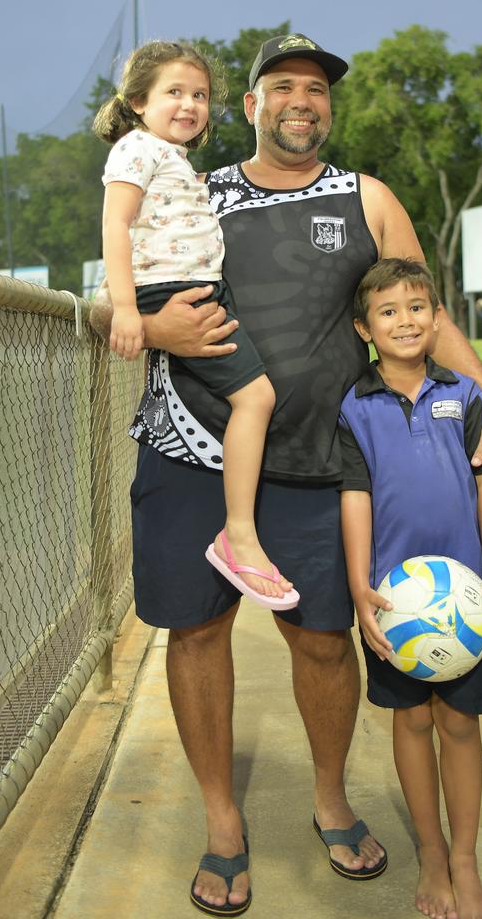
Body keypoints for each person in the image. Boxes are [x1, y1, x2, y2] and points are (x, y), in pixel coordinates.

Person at [91, 33, 482, 916]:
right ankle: (221, 823)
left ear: (329, 108)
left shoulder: (365, 197)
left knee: (324, 641)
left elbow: (422, 315)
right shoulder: (192, 187)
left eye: (316, 89)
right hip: (185, 445)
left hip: (314, 459)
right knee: (197, 634)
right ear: (247, 105)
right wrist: (146, 328)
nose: (301, 100)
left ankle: (330, 798)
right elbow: (116, 288)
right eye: (280, 85)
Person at [93, 40, 296, 608]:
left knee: (248, 398)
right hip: (170, 292)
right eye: (174, 93)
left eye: (200, 95)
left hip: (194, 288)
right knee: (256, 398)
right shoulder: (136, 149)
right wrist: (129, 309)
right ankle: (238, 535)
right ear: (138, 101)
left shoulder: (171, 157)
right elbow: (116, 225)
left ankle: (236, 527)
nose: (189, 104)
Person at [339, 257, 482, 919]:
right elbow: (356, 498)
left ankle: (464, 863)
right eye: (388, 311)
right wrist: (358, 584)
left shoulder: (465, 396)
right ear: (364, 329)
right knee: (410, 719)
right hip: (396, 605)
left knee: (459, 724)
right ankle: (431, 858)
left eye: (417, 307)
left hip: (465, 601)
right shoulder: (356, 406)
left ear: (437, 319)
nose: (405, 320)